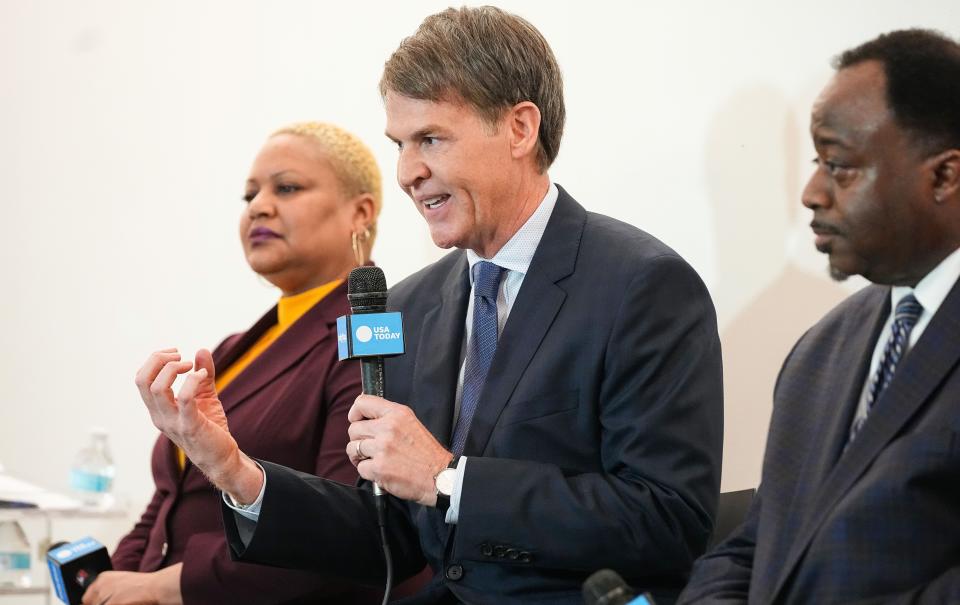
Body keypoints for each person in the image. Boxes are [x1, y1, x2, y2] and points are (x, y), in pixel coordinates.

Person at [137, 7, 723, 604]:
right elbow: (388, 538)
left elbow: (667, 521)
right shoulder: (411, 304)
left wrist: (449, 479)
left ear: (520, 129)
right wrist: (235, 469)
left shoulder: (643, 287)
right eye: (400, 145)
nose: (408, 173)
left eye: (431, 140)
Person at [678, 29, 960, 604]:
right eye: (815, 161)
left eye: (840, 165)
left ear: (944, 176)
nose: (810, 193)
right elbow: (759, 544)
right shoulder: (819, 350)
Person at [84, 122, 384, 605]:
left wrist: (167, 587)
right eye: (249, 196)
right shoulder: (235, 348)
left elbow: (345, 530)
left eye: (286, 188)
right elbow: (169, 497)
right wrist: (111, 585)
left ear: (360, 212)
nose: (259, 207)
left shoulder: (370, 342)